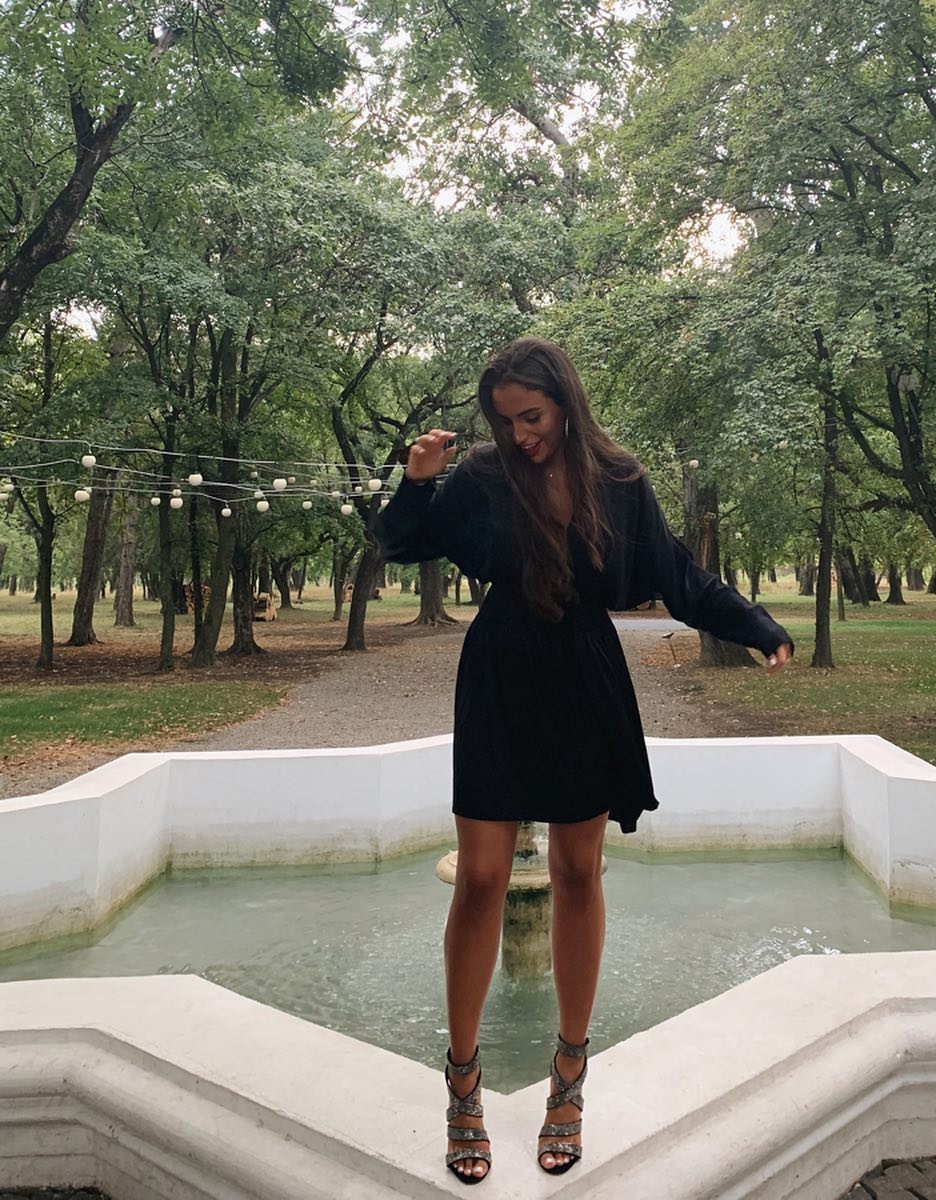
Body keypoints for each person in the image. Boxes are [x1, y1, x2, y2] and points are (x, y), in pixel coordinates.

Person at [373, 337, 793, 1184]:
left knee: (576, 871)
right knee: (481, 877)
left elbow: (676, 573)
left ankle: (569, 1075)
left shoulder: (621, 480)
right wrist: (416, 480)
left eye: (531, 416)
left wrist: (754, 624)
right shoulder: (484, 477)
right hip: (499, 673)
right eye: (504, 420)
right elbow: (399, 542)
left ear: (565, 401)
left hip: (585, 677)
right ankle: (463, 1083)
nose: (519, 434)